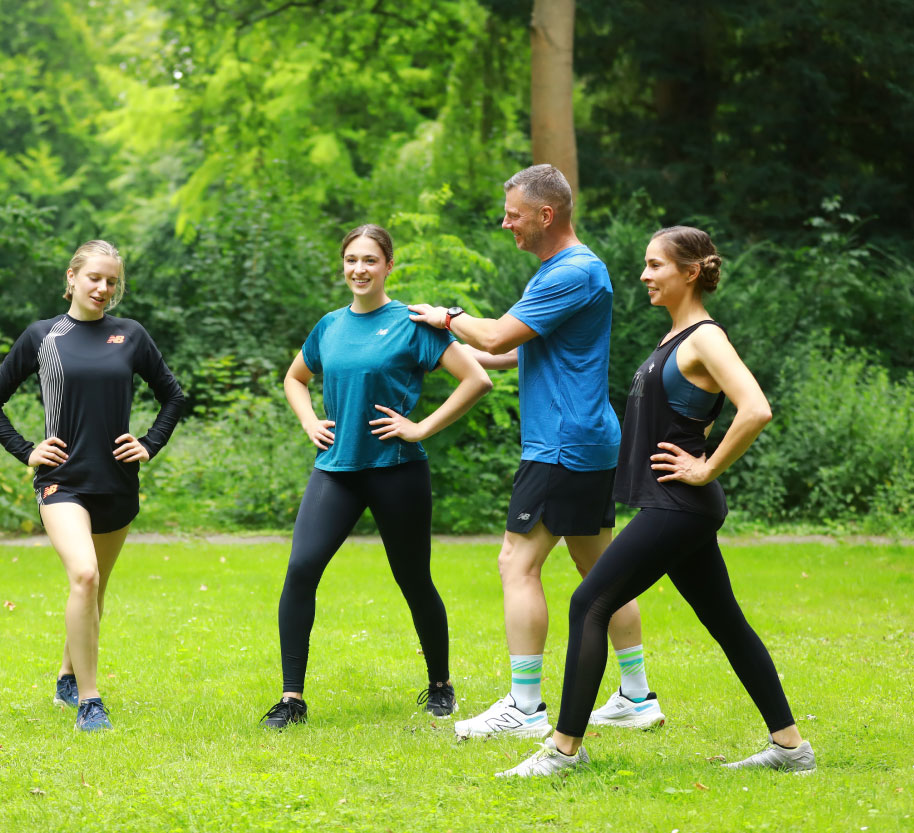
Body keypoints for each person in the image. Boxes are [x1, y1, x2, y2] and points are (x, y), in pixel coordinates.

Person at [500, 226, 815, 776]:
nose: (644, 275)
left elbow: (755, 408)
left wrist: (707, 466)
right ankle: (791, 749)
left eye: (655, 266)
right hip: (677, 506)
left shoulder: (704, 338)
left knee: (589, 603)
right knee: (726, 622)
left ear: (689, 272)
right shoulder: (676, 337)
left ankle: (563, 751)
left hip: (679, 505)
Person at [409, 164, 665, 739]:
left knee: (516, 562)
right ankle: (636, 696)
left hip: (560, 445)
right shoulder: (565, 271)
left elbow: (498, 335)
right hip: (585, 441)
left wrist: (447, 317)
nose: (506, 224)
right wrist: (439, 348)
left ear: (546, 215)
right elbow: (512, 352)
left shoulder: (572, 272)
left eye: (515, 214)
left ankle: (524, 707)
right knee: (602, 570)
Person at [259, 224, 493, 728]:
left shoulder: (413, 324)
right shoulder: (329, 326)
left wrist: (421, 427)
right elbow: (295, 377)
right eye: (351, 260)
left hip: (397, 470)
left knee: (413, 579)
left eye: (369, 260)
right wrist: (307, 420)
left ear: (389, 265)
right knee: (301, 569)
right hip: (336, 470)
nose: (359, 269)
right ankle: (292, 698)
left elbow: (477, 378)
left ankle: (440, 685)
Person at [0, 240, 184, 732]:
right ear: (71, 278)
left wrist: (150, 444)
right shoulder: (43, 336)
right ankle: (90, 702)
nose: (103, 288)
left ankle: (69, 673)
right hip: (62, 480)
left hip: (116, 482)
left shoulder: (130, 335)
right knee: (84, 577)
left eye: (112, 281)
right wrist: (27, 450)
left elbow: (172, 395)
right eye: (94, 278)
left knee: (96, 589)